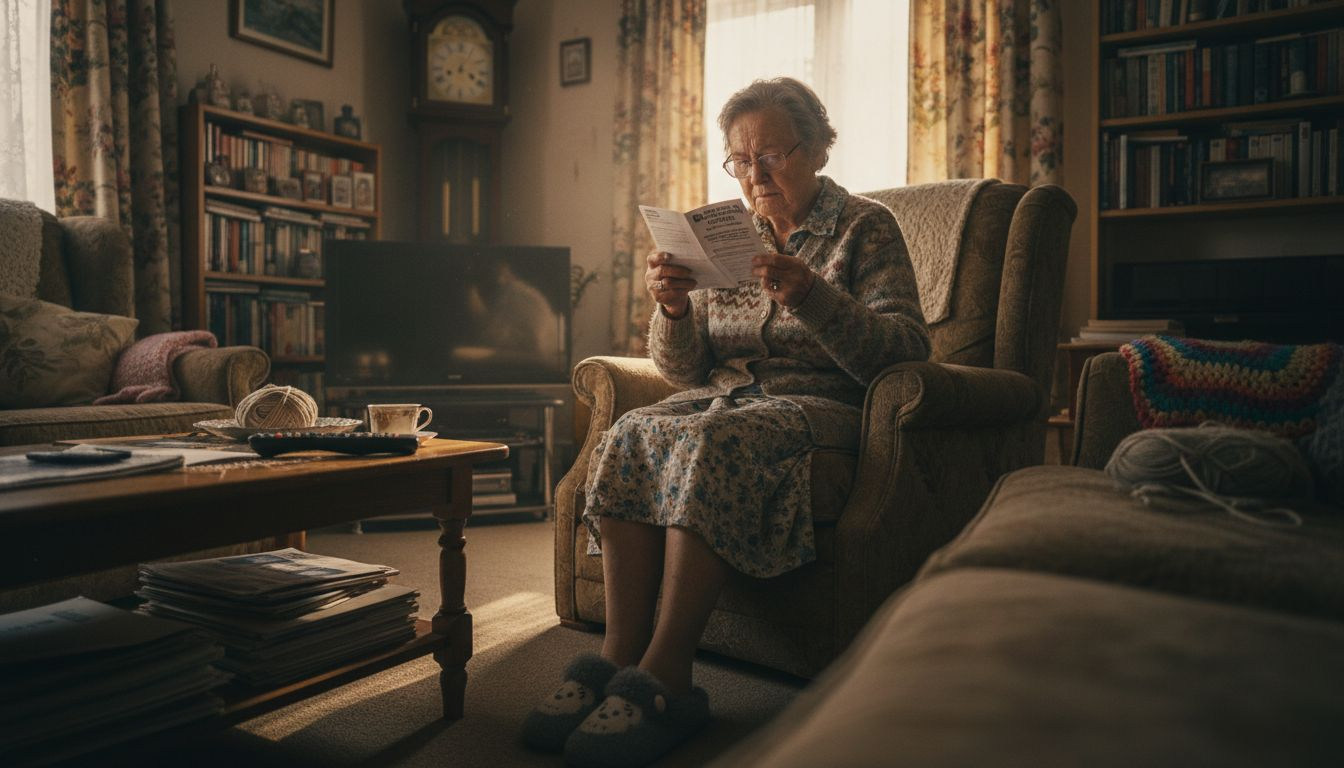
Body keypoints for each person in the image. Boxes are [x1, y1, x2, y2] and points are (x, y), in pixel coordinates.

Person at [522, 77, 931, 767]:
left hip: (817, 406)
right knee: (632, 433)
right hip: (720, 396)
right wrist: (674, 309)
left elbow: (906, 354)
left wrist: (814, 297)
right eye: (740, 161)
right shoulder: (724, 235)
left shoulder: (865, 228)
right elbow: (683, 371)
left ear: (816, 149)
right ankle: (616, 656)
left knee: (714, 440)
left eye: (770, 154)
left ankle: (667, 675)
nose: (753, 173)